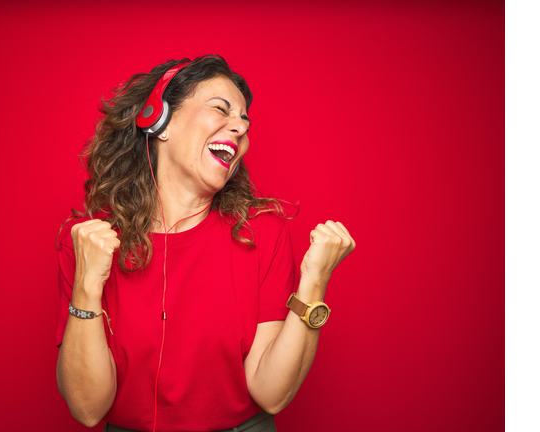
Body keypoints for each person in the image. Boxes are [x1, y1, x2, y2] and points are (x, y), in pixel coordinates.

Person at [55, 55, 355, 432]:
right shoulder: (89, 241)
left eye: (245, 121)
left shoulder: (261, 232)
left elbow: (272, 393)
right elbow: (87, 409)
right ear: (159, 121)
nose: (240, 128)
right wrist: (87, 287)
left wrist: (314, 282)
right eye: (221, 109)